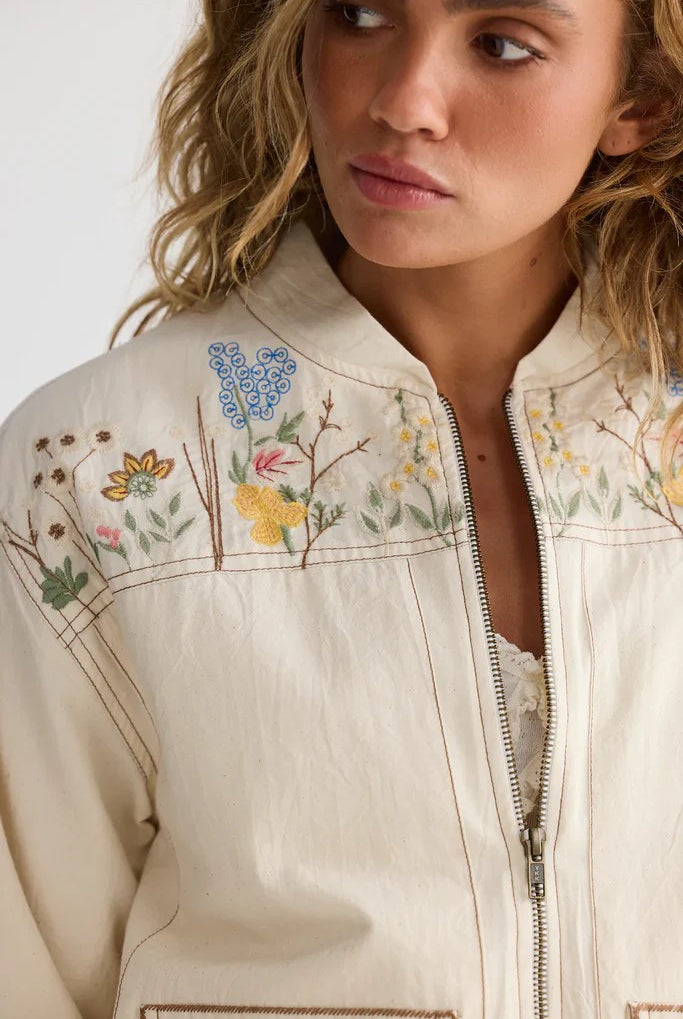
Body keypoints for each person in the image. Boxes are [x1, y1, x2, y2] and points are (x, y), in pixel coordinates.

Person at [1, 0, 682, 1015]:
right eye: (359, 15)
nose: (400, 100)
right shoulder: (99, 466)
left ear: (640, 98)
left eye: (501, 45)